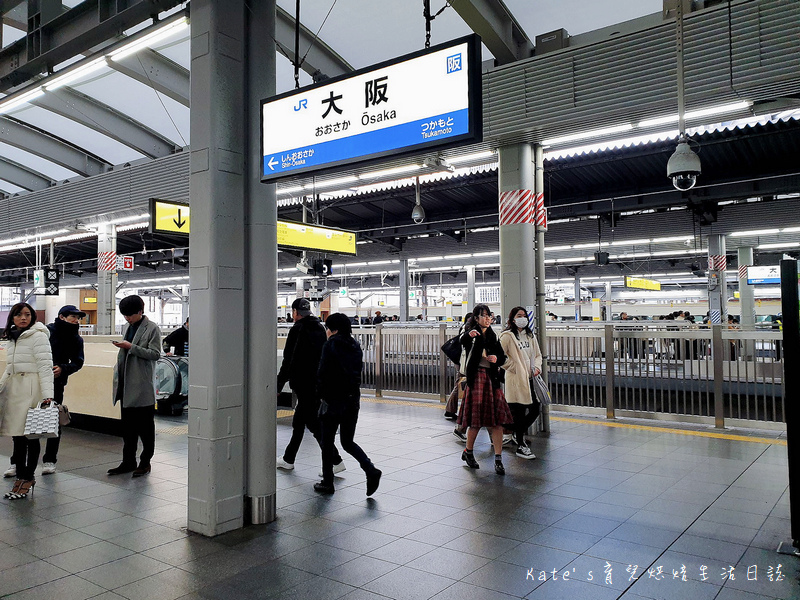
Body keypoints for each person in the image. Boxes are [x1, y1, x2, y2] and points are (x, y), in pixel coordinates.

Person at [314, 313, 381, 496]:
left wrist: (321, 395)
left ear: (333, 329)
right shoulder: (355, 345)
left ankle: (328, 483)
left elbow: (322, 373)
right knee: (347, 441)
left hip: (333, 401)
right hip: (352, 400)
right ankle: (370, 470)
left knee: (327, 443)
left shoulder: (331, 344)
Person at [276, 298, 344, 475]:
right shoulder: (319, 328)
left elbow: (288, 360)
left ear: (295, 313)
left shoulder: (298, 329)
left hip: (303, 384)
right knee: (299, 423)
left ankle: (335, 461)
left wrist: (279, 384)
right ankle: (288, 459)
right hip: (316, 383)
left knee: (313, 425)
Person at [0, 302, 53, 499]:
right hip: (15, 390)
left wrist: (48, 396)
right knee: (17, 436)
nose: (23, 318)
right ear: (12, 317)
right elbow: (9, 367)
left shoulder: (38, 336)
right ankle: (21, 477)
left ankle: (27, 477)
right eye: (19, 314)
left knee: (30, 435)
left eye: (27, 314)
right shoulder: (12, 337)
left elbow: (45, 367)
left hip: (31, 390)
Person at [457, 304, 513, 475]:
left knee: (496, 421)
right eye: (484, 316)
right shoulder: (471, 333)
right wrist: (469, 334)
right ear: (476, 318)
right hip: (477, 380)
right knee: (476, 421)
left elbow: (502, 356)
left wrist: (496, 358)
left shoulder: (492, 335)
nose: (488, 319)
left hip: (491, 379)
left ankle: (498, 458)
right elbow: (462, 340)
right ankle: (469, 451)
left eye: (489, 316)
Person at [109, 295, 161, 477]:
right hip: (126, 386)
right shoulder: (128, 327)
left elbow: (155, 354)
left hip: (142, 386)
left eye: (130, 315)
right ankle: (128, 461)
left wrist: (131, 346)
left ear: (140, 311)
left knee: (146, 429)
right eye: (124, 315)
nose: (127, 319)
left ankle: (145, 462)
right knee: (128, 430)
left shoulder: (152, 328)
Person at [39, 305, 86, 474]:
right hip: (35, 381)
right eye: (73, 316)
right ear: (62, 317)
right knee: (28, 419)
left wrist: (63, 368)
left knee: (53, 420)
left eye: (78, 317)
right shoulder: (45, 332)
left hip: (56, 384)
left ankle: (50, 460)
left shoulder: (76, 339)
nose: (76, 320)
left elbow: (78, 362)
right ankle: (18, 461)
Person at [499, 307, 541, 460]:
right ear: (512, 319)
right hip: (516, 380)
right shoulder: (507, 336)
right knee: (518, 411)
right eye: (519, 316)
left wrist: (537, 367)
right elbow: (499, 356)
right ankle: (521, 444)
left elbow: (537, 354)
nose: (522, 318)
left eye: (524, 316)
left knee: (535, 409)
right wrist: (514, 367)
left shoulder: (530, 335)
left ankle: (514, 431)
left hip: (529, 378)